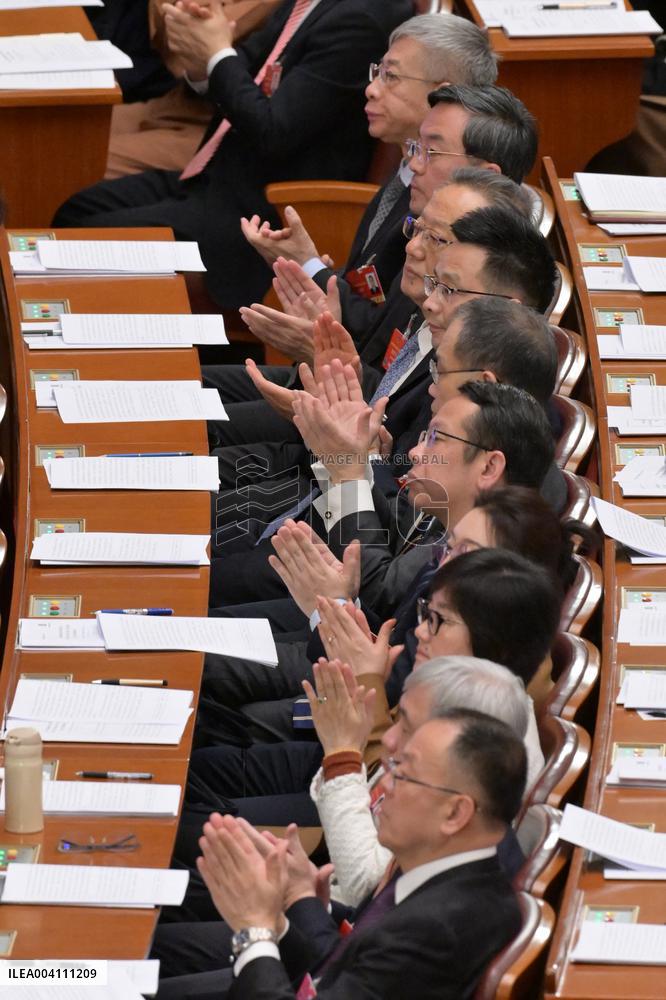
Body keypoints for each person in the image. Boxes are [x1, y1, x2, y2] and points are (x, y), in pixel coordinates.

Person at [153, 660, 532, 989]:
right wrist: (300, 900)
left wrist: (255, 930)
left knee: (138, 969)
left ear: (456, 813)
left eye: (402, 774)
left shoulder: (441, 926)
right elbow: (348, 967)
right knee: (141, 952)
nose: (382, 784)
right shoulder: (452, 861)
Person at [52, 0, 412, 309]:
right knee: (74, 211)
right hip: (216, 177)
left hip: (259, 216)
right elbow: (249, 64)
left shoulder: (360, 20)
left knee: (81, 240)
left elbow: (274, 130)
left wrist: (216, 54)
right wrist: (201, 54)